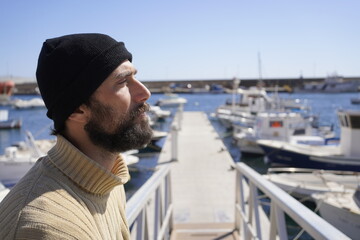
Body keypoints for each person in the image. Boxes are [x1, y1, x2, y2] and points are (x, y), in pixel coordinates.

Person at [0, 33, 153, 239]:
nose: (145, 92)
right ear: (78, 111)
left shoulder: (108, 178)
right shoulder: (47, 228)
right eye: (123, 81)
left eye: (135, 76)